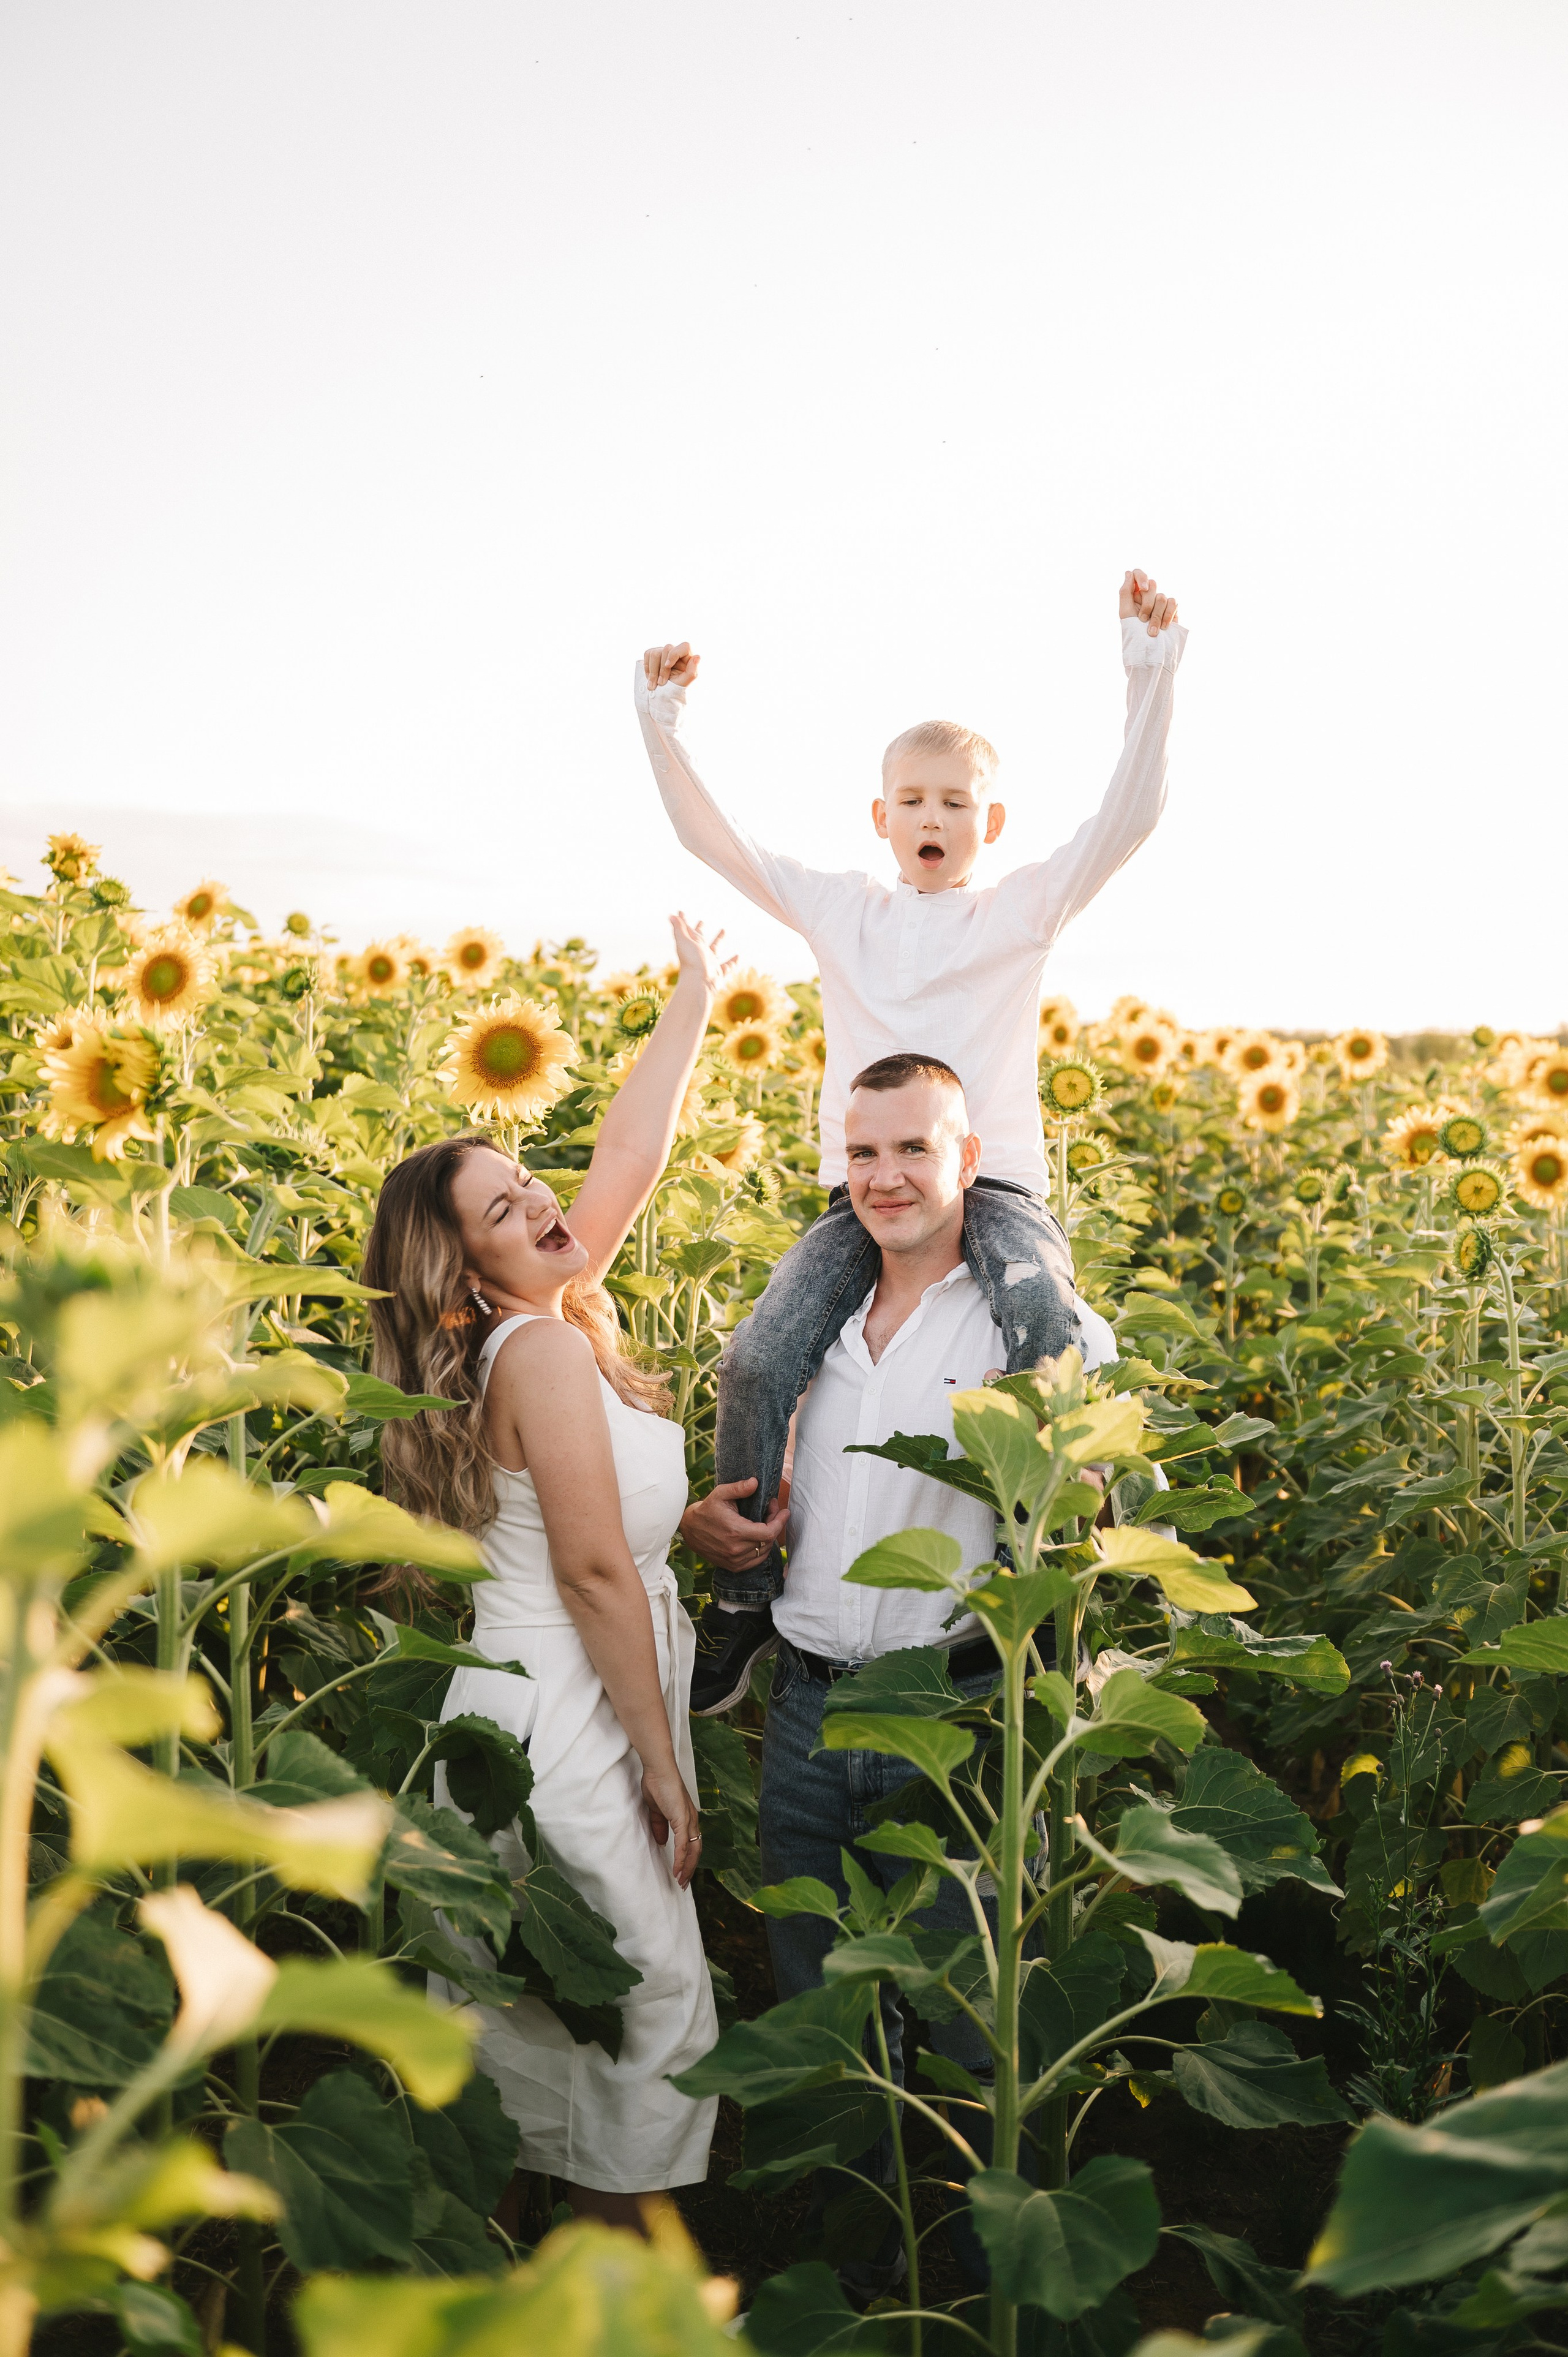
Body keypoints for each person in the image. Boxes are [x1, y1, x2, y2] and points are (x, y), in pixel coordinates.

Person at [636, 570, 1185, 1711]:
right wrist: (660, 722)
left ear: (991, 825)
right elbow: (714, 840)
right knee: (757, 1357)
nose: (933, 819)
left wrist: (1149, 673)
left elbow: (1127, 821)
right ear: (879, 817)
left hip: (999, 1189)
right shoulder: (843, 910)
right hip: (865, 1193)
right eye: (912, 800)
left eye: (955, 802)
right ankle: (744, 1604)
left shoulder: (1020, 910)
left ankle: (1062, 1583)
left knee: (1044, 1324)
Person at [682, 1051, 1120, 2296]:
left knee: (972, 2039)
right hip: (807, 1705)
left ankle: (978, 2297)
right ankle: (872, 2289)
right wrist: (707, 1529)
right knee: (828, 2036)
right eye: (861, 1152)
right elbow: (759, 1499)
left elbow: (1096, 1497)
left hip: (958, 1708)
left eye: (912, 1148)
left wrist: (1057, 1457)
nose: (883, 1177)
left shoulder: (1028, 1325)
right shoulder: (803, 1329)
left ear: (968, 1161)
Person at [362, 913, 731, 2236]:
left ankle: (532, 2286)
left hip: (520, 1710)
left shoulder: (531, 1327)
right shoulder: (543, 1354)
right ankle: (619, 2301)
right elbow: (584, 1568)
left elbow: (626, 1153)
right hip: (567, 1719)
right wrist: (662, 1761)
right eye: (506, 1209)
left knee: (542, 2024)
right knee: (647, 2012)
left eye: (532, 1183)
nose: (544, 1204)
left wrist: (693, 993)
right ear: (462, 1270)